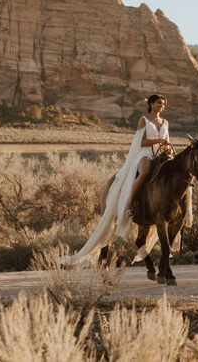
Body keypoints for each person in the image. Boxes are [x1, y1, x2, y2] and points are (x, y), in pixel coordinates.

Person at [60, 94, 173, 266]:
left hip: (160, 155)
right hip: (145, 154)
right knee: (144, 172)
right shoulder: (144, 120)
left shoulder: (165, 123)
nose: (162, 106)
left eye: (163, 104)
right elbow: (141, 142)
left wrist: (168, 150)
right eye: (159, 103)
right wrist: (159, 140)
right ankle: (128, 206)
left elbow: (167, 142)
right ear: (151, 104)